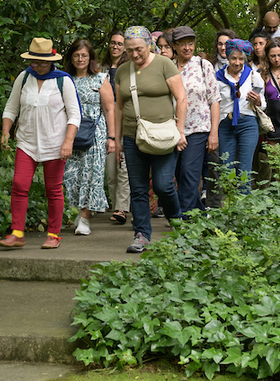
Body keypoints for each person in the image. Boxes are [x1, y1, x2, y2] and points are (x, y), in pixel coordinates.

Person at [0, 38, 81, 249]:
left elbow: (74, 115)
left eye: (41, 63)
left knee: (53, 189)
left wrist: (68, 141)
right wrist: (6, 131)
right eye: (33, 62)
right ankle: (17, 233)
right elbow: (11, 107)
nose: (36, 66)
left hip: (55, 143)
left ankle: (53, 235)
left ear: (51, 61)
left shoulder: (63, 80)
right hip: (26, 142)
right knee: (19, 185)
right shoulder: (24, 77)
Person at [113, 26, 187, 253]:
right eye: (130, 50)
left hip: (163, 136)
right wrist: (116, 140)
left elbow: (181, 97)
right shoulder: (122, 71)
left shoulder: (165, 65)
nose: (135, 55)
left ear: (149, 45)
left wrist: (180, 131)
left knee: (164, 185)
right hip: (132, 137)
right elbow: (118, 106)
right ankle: (142, 234)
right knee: (138, 188)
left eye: (139, 50)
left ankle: (177, 222)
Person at [62, 39, 115, 236]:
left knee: (91, 175)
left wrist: (112, 137)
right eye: (76, 55)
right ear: (71, 58)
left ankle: (85, 217)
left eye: (84, 55)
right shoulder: (65, 79)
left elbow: (110, 109)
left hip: (95, 132)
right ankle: (77, 209)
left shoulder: (100, 79)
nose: (80, 59)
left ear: (91, 58)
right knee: (71, 175)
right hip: (70, 132)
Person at [171, 26, 222, 212]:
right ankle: (198, 215)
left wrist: (213, 133)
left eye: (190, 43)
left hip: (198, 129)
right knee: (176, 175)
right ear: (174, 46)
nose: (187, 47)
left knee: (189, 175)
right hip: (172, 129)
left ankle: (183, 221)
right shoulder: (167, 66)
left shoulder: (203, 65)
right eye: (182, 44)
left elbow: (214, 100)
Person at [215, 39, 264, 194]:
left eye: (241, 59)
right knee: (226, 168)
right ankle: (230, 207)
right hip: (225, 124)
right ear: (227, 58)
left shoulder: (253, 76)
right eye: (234, 58)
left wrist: (258, 101)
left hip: (248, 123)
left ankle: (244, 211)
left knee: (244, 169)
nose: (237, 62)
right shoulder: (217, 78)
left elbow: (264, 105)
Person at [102, 30, 130, 225]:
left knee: (125, 167)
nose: (115, 46)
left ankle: (122, 207)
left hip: (125, 119)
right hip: (104, 121)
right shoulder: (100, 67)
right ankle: (115, 205)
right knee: (111, 169)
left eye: (120, 44)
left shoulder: (129, 67)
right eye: (113, 43)